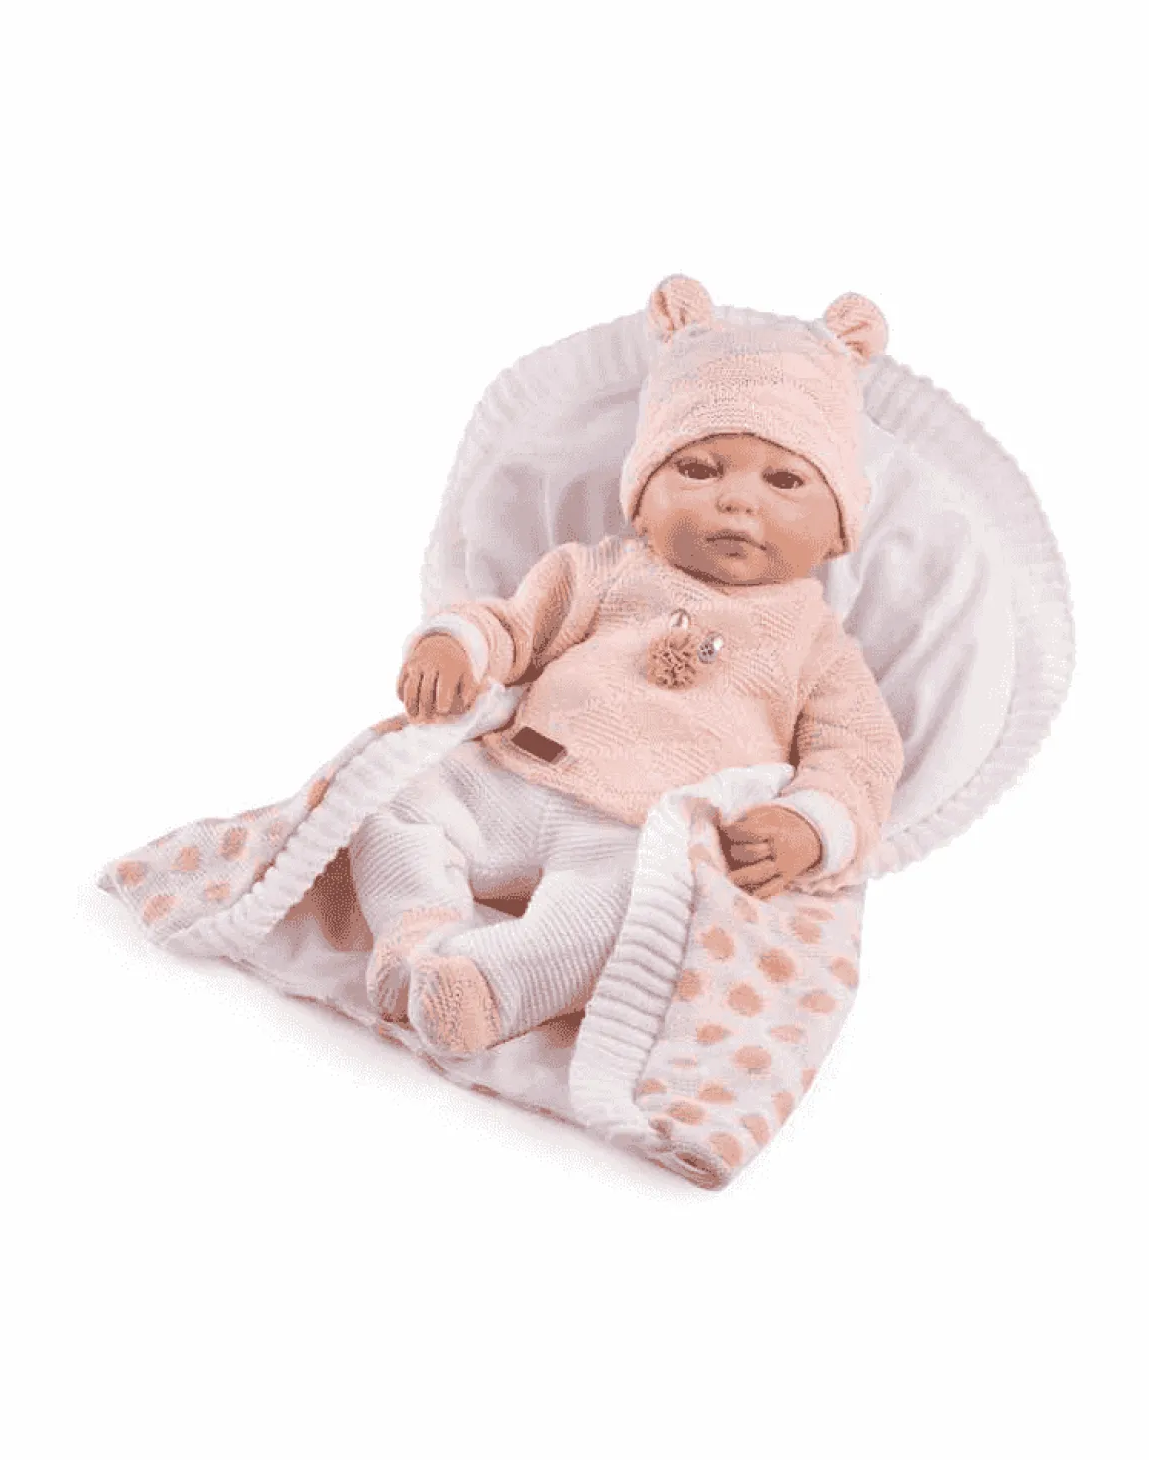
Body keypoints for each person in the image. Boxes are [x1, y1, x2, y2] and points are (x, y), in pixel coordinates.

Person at [348, 275, 905, 1055]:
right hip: (516, 772)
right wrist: (455, 645)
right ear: (641, 500)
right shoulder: (600, 572)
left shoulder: (817, 644)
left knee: (641, 921)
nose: (737, 501)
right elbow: (512, 625)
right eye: (700, 469)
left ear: (839, 529)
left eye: (783, 480)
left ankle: (490, 987)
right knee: (393, 798)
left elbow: (861, 753)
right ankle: (415, 937)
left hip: (640, 835)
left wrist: (809, 825)